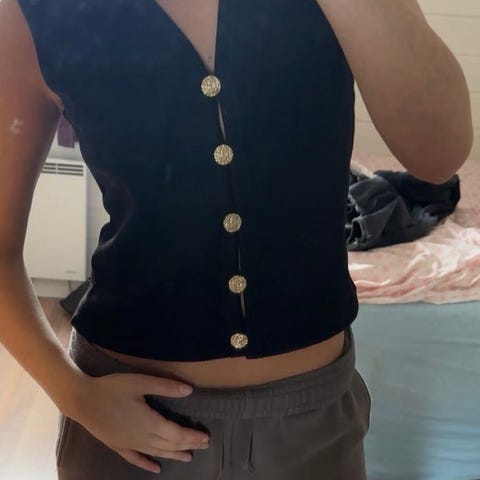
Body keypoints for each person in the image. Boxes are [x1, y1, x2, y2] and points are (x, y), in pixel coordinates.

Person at [0, 0, 472, 479]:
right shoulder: (35, 11)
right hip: (127, 432)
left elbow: (439, 155)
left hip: (312, 432)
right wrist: (74, 395)